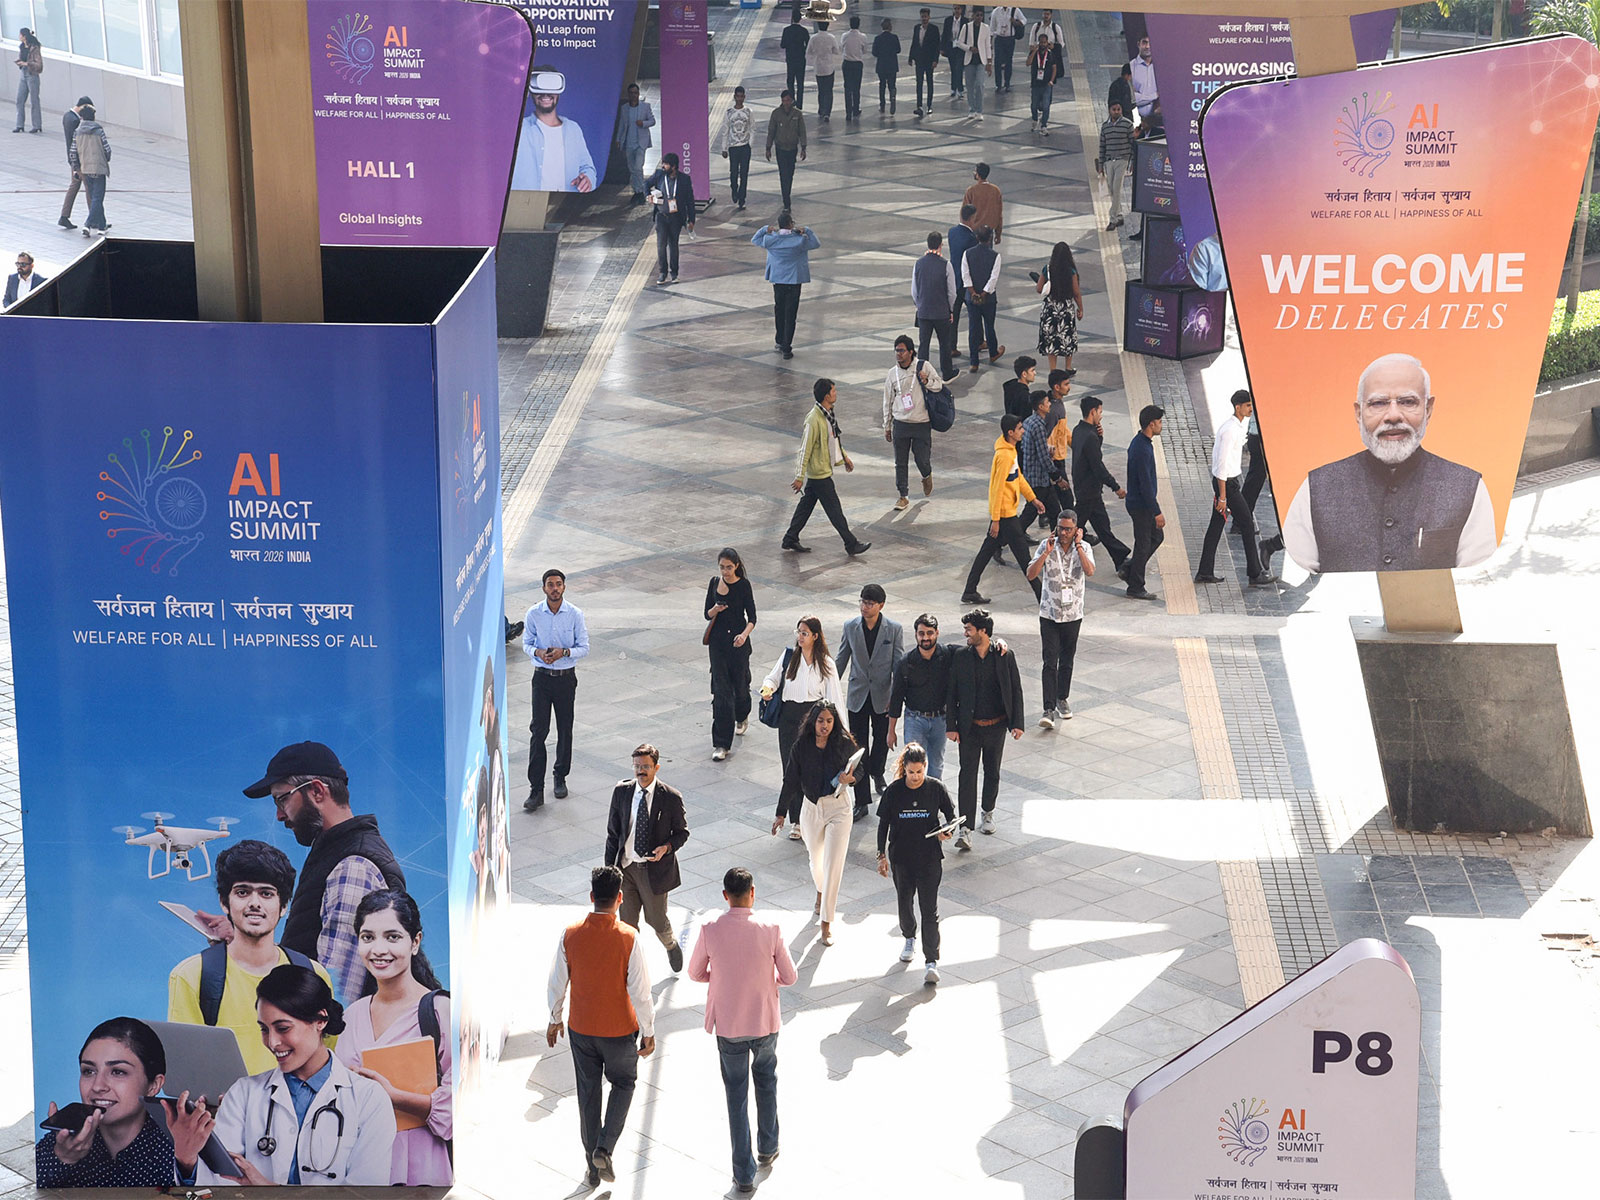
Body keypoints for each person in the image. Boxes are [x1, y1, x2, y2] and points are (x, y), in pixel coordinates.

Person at [220, 742, 406, 1005]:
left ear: (317, 791)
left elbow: (335, 990)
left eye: (282, 798)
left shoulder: (353, 865)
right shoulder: (333, 855)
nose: (279, 815)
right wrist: (246, 941)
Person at [1280, 352, 1496, 573]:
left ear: (1428, 409)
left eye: (1408, 402)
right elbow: (1296, 581)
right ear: (1358, 413)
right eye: (1378, 403)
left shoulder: (1468, 488)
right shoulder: (1316, 488)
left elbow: (1476, 584)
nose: (1393, 415)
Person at [202, 965, 397, 1185]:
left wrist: (267, 1192)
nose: (272, 1042)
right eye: (264, 1029)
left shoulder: (369, 1099)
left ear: (320, 1021)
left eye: (283, 1028)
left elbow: (365, 1195)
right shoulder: (242, 1094)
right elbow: (219, 1185)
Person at [169, 839, 335, 1074]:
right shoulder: (191, 976)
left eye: (266, 893)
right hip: (226, 1109)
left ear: (284, 905)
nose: (254, 903)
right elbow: (186, 1070)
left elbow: (328, 1062)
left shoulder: (313, 974)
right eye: (243, 892)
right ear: (224, 902)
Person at [687, 867, 797, 1195]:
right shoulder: (771, 928)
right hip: (764, 1021)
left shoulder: (709, 929)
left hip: (729, 1026)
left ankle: (743, 1174)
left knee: (736, 1095)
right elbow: (789, 977)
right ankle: (768, 1145)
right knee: (766, 1081)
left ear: (725, 896)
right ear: (753, 893)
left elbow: (695, 972)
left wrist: (718, 979)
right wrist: (767, 981)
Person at [546, 866, 656, 1189]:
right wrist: (648, 1031)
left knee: (588, 1095)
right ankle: (604, 1148)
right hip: (620, 1031)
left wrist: (555, 1018)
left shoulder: (570, 934)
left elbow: (556, 983)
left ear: (592, 897)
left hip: (581, 1029)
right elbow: (641, 991)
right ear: (620, 898)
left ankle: (592, 1169)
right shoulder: (628, 938)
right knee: (624, 1083)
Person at [336, 890, 453, 1185]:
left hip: (421, 1165)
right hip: (361, 1165)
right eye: (367, 937)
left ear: (415, 942)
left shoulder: (440, 1011)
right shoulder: (352, 1015)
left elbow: (461, 1103)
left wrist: (395, 1097)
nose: (378, 949)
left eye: (392, 937)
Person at [37, 1017, 211, 1187]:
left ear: (153, 1085)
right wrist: (63, 1158)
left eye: (118, 1072)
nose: (98, 1086)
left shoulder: (180, 1143)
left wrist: (186, 1164)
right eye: (89, 1071)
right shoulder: (61, 1142)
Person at [771, 701, 859, 945]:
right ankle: (820, 890)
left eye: (829, 721)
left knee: (833, 864)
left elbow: (860, 768)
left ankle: (826, 922)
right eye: (821, 721)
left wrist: (851, 778)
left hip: (839, 807)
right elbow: (790, 780)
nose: (825, 726)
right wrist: (781, 813)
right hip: (810, 808)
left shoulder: (843, 742)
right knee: (816, 859)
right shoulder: (801, 746)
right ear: (813, 721)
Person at [604, 744, 690, 973]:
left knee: (657, 920)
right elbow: (613, 833)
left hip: (654, 871)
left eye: (646, 767)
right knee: (627, 924)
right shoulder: (622, 791)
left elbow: (682, 832)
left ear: (656, 767)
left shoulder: (670, 797)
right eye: (637, 766)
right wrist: (609, 871)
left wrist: (667, 847)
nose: (640, 771)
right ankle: (632, 966)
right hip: (627, 869)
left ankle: (671, 945)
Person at [876, 744, 956, 984]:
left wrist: (946, 832)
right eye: (911, 772)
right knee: (905, 903)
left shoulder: (936, 788)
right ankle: (909, 935)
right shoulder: (894, 791)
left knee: (929, 910)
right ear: (904, 769)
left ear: (925, 768)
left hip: (930, 858)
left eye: (920, 772)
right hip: (901, 858)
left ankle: (931, 960)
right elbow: (883, 825)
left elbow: (951, 818)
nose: (915, 777)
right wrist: (881, 855)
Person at [945, 608, 1025, 847]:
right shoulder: (961, 656)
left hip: (996, 726)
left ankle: (987, 811)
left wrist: (1017, 723)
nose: (965, 634)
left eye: (969, 630)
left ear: (983, 631)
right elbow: (952, 694)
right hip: (969, 728)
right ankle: (965, 828)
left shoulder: (1004, 656)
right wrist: (952, 725)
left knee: (993, 772)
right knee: (966, 776)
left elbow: (1016, 689)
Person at [520, 568, 588, 808]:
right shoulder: (534, 614)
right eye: (550, 584)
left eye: (558, 584)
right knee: (538, 731)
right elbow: (526, 643)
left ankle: (560, 776)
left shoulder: (575, 614)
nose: (555, 588)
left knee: (564, 729)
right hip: (542, 678)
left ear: (564, 587)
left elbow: (584, 647)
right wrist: (538, 652)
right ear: (544, 588)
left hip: (566, 678)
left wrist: (564, 652)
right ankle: (535, 789)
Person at [836, 583, 906, 819]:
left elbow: (898, 664)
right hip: (857, 694)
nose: (864, 607)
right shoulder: (850, 627)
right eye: (862, 602)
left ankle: (877, 771)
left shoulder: (893, 629)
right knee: (857, 746)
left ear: (881, 606)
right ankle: (862, 800)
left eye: (870, 603)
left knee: (881, 741)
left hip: (882, 696)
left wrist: (896, 697)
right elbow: (841, 659)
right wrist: (831, 687)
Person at [963, 414, 1046, 604]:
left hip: (1006, 514)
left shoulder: (1010, 450)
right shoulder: (1004, 456)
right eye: (1019, 428)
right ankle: (1041, 595)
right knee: (1024, 557)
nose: (1022, 431)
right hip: (1005, 517)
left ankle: (969, 590)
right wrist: (996, 519)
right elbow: (997, 489)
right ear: (1011, 433)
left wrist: (1033, 499)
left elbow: (1018, 478)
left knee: (986, 552)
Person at [782, 378, 870, 556]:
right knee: (835, 510)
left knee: (805, 506)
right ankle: (850, 543)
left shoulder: (828, 415)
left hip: (821, 471)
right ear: (826, 395)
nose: (836, 393)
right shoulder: (813, 419)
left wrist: (844, 457)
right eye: (833, 391)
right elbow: (804, 449)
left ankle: (790, 538)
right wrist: (799, 476)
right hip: (819, 474)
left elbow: (834, 439)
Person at [1196, 389, 1274, 588]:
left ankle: (1205, 572)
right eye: (1247, 406)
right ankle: (1254, 574)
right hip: (1227, 486)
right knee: (1247, 524)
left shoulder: (1236, 427)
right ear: (1238, 407)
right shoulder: (1230, 430)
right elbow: (1221, 465)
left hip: (1229, 484)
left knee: (1215, 526)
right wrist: (1222, 497)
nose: (1250, 409)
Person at [761, 617, 844, 797]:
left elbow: (835, 698)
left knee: (810, 768)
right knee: (790, 768)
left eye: (804, 633)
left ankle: (808, 813)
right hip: (788, 717)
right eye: (798, 632)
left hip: (812, 718)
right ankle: (796, 820)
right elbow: (773, 678)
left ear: (815, 636)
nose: (800, 637)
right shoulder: (789, 656)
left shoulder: (826, 663)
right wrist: (767, 688)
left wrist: (842, 731)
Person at [1027, 509, 1094, 727]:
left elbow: (1090, 571)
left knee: (1067, 659)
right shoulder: (1046, 546)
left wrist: (1078, 547)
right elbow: (1031, 574)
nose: (1063, 533)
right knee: (1050, 660)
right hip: (1049, 613)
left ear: (1076, 530)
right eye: (1061, 528)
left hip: (1073, 613)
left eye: (1068, 529)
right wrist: (1045, 553)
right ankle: (1048, 708)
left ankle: (1062, 698)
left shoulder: (1084, 548)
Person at [884, 332, 948, 508]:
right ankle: (903, 495)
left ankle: (926, 474)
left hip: (921, 423)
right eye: (896, 350)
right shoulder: (891, 374)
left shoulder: (923, 366)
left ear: (911, 352)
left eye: (902, 350)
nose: (899, 354)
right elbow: (887, 400)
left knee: (922, 458)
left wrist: (926, 381)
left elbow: (939, 385)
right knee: (900, 462)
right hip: (901, 423)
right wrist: (887, 426)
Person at [705, 547, 757, 760]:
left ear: (736, 566)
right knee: (721, 693)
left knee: (740, 687)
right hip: (718, 644)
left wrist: (744, 635)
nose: (725, 571)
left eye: (729, 567)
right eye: (722, 567)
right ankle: (721, 744)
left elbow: (752, 617)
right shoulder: (713, 583)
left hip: (738, 644)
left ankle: (742, 715)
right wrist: (715, 610)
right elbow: (706, 613)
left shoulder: (743, 586)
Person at [509, 69, 597, 192]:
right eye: (539, 89)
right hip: (526, 204)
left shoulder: (573, 129)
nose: (545, 94)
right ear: (531, 92)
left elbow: (588, 168)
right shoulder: (517, 128)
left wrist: (588, 179)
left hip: (564, 204)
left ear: (559, 92)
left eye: (550, 87)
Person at [1072, 395, 1132, 571]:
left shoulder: (1078, 430)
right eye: (1100, 411)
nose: (1101, 415)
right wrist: (1116, 487)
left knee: (1102, 528)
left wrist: (1099, 438)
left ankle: (1121, 559)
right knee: (1072, 528)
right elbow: (1098, 466)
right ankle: (1053, 553)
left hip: (1084, 488)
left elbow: (1090, 456)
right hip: (1089, 491)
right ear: (1092, 412)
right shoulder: (1089, 436)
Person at [752, 211, 820, 360]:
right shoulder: (799, 240)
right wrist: (807, 230)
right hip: (794, 280)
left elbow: (755, 239)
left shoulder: (771, 240)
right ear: (790, 224)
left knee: (779, 310)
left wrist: (765, 229)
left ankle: (779, 340)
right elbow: (816, 243)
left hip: (778, 280)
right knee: (791, 314)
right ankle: (787, 347)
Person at [1124, 404, 1166, 600]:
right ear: (1151, 424)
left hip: (1140, 503)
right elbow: (1145, 485)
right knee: (1143, 543)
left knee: (1156, 537)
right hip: (1141, 505)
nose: (1161, 426)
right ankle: (1135, 585)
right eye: (1159, 422)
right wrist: (1157, 511)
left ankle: (1130, 569)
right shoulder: (1142, 449)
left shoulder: (1140, 442)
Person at [1020, 389, 1072, 536]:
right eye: (1047, 402)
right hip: (1039, 479)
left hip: (1035, 476)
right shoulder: (1038, 426)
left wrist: (1045, 447)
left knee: (1055, 512)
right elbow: (1043, 458)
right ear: (1041, 407)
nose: (1050, 404)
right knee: (1029, 514)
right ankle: (1001, 541)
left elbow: (1027, 447)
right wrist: (1058, 478)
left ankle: (1057, 542)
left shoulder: (1029, 421)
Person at [910, 233, 958, 382]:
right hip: (941, 312)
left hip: (924, 312)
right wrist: (950, 309)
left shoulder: (918, 263)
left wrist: (920, 305)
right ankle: (947, 372)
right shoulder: (946, 264)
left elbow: (914, 290)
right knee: (944, 343)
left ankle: (922, 373)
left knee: (924, 344)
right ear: (940, 245)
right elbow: (952, 292)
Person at [646, 151, 695, 286]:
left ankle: (674, 273)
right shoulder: (659, 175)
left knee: (673, 245)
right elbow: (646, 184)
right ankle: (662, 273)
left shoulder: (684, 179)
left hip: (676, 217)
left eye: (666, 164)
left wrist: (691, 220)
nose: (663, 166)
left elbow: (690, 201)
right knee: (661, 245)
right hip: (661, 216)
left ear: (674, 167)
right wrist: (648, 195)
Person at [962, 224, 1005, 373]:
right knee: (989, 325)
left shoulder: (967, 254)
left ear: (976, 237)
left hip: (971, 298)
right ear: (990, 238)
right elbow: (994, 278)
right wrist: (984, 293)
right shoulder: (995, 256)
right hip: (989, 299)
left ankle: (974, 362)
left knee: (973, 328)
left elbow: (965, 275)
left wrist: (973, 293)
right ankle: (993, 353)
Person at [1036, 240, 1084, 372]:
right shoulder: (1071, 271)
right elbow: (1076, 293)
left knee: (1051, 338)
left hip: (1050, 309)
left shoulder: (1048, 269)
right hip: (1066, 309)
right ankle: (1068, 367)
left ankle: (1053, 370)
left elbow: (1039, 289)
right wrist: (1081, 309)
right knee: (1067, 336)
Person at [69, 104, 111, 237]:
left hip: (85, 168)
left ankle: (102, 225)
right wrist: (106, 159)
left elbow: (73, 151)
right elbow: (107, 149)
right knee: (98, 198)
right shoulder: (99, 131)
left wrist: (76, 167)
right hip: (99, 168)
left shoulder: (77, 132)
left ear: (82, 117)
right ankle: (88, 224)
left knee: (94, 197)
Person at [1097, 99, 1136, 232]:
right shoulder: (1105, 126)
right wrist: (1101, 165)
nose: (1116, 112)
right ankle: (1119, 215)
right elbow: (1102, 145)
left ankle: (1113, 219)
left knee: (1117, 188)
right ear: (1109, 110)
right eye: (1114, 109)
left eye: (1118, 109)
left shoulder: (1127, 125)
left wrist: (1132, 162)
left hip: (1122, 160)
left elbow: (1133, 144)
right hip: (1109, 161)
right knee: (1112, 190)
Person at [613, 82, 655, 204]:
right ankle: (637, 191)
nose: (633, 95)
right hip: (629, 143)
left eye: (635, 93)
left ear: (638, 94)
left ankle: (641, 190)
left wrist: (643, 123)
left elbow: (652, 121)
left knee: (638, 167)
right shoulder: (624, 109)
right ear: (628, 95)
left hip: (641, 143)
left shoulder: (645, 107)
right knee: (632, 168)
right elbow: (622, 125)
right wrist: (618, 139)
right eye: (631, 93)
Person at [765, 90, 807, 211]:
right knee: (783, 174)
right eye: (784, 100)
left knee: (790, 174)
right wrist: (768, 148)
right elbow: (771, 131)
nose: (786, 103)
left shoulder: (797, 114)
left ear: (792, 100)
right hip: (780, 149)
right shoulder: (776, 114)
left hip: (792, 149)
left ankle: (787, 193)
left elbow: (802, 131)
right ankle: (786, 201)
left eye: (788, 100)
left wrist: (803, 147)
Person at [715, 86, 755, 210]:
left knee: (744, 173)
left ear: (744, 97)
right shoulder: (729, 113)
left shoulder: (748, 112)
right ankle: (734, 189)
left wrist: (750, 144)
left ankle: (742, 197)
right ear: (734, 97)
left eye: (742, 96)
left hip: (744, 147)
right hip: (733, 147)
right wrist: (724, 148)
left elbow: (752, 128)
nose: (739, 99)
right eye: (737, 96)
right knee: (733, 172)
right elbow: (725, 130)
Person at [947, 203, 979, 348]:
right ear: (971, 218)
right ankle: (979, 342)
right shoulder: (972, 238)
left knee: (955, 314)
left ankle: (952, 346)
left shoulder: (952, 232)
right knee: (976, 312)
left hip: (954, 278)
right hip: (966, 281)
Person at [58, 95, 92, 229]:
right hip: (79, 161)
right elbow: (78, 143)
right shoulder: (75, 121)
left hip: (73, 160)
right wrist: (77, 165)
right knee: (90, 188)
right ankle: (95, 218)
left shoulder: (67, 116)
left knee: (74, 186)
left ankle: (64, 216)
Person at [955, 6, 994, 119]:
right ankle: (972, 109)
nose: (979, 17)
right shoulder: (966, 27)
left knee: (980, 84)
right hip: (969, 60)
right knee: (970, 86)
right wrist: (969, 48)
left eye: (981, 15)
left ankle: (979, 110)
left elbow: (988, 45)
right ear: (973, 16)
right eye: (977, 15)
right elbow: (959, 43)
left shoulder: (986, 28)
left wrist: (989, 62)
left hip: (981, 60)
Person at [909, 7, 942, 117]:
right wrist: (911, 57)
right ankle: (919, 105)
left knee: (929, 82)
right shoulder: (916, 28)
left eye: (926, 16)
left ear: (929, 17)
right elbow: (914, 42)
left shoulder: (934, 29)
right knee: (919, 82)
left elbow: (937, 45)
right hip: (919, 59)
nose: (924, 19)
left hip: (929, 60)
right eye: (922, 16)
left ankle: (929, 105)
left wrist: (935, 60)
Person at [807, 20, 842, 121]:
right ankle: (827, 112)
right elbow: (836, 51)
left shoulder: (813, 38)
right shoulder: (831, 38)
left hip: (818, 67)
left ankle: (821, 109)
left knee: (821, 90)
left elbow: (809, 51)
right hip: (829, 67)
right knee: (829, 90)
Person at [1028, 32, 1061, 133]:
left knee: (1046, 105)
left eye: (1044, 42)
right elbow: (1028, 63)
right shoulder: (1034, 53)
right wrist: (1034, 51)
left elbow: (1054, 68)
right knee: (1034, 105)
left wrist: (1051, 80)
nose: (1042, 44)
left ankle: (1044, 125)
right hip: (1035, 84)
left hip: (1046, 84)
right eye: (1041, 42)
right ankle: (1034, 119)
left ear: (1047, 43)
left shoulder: (1051, 54)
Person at [963, 162, 1004, 244]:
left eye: (975, 171)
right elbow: (999, 214)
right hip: (989, 232)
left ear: (978, 175)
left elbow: (964, 213)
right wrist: (998, 234)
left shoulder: (971, 191)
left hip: (974, 232)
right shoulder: (996, 190)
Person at [989, 5, 1025, 93]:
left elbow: (1024, 21)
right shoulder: (996, 11)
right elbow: (992, 28)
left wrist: (1016, 22)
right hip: (999, 38)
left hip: (1010, 38)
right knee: (997, 62)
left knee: (1008, 62)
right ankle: (998, 84)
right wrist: (990, 42)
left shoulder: (1015, 10)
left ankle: (1007, 83)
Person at [12, 26, 41, 134]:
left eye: (20, 35)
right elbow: (23, 58)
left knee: (34, 101)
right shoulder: (21, 46)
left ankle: (36, 125)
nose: (19, 37)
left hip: (32, 75)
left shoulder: (34, 48)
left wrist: (26, 63)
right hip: (23, 74)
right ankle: (19, 125)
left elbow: (39, 65)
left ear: (24, 36)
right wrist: (20, 62)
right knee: (19, 100)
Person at [781, 7, 810, 108]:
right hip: (801, 59)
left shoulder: (787, 30)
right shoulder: (804, 31)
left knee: (790, 80)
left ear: (792, 18)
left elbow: (782, 45)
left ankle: (792, 99)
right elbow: (808, 44)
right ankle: (800, 103)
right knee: (800, 82)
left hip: (790, 59)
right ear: (800, 18)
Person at [871, 18, 901, 116]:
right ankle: (892, 97)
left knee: (882, 85)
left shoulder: (878, 38)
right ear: (890, 27)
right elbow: (898, 50)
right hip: (892, 65)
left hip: (882, 65)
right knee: (892, 84)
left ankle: (882, 104)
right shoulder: (894, 37)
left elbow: (874, 52)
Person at [842, 16, 870, 120]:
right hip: (857, 63)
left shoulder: (844, 36)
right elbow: (865, 50)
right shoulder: (863, 36)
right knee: (856, 88)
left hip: (847, 63)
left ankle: (848, 111)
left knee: (847, 88)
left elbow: (842, 47)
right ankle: (856, 109)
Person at [1130, 34, 1158, 123]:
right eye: (1144, 43)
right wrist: (1156, 95)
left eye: (1150, 43)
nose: (1147, 47)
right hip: (1138, 122)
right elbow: (1133, 99)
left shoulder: (1162, 67)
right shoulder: (1131, 67)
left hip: (1158, 122)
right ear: (1138, 44)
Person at [942, 6, 968, 99]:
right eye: (955, 9)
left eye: (959, 9)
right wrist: (943, 48)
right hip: (951, 47)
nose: (957, 11)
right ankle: (953, 88)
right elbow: (944, 34)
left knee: (959, 68)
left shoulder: (965, 21)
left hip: (960, 48)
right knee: (953, 68)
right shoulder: (948, 20)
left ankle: (960, 89)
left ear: (961, 10)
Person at [1004, 356, 1039, 421]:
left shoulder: (1010, 387)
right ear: (1024, 374)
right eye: (1032, 370)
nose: (1035, 373)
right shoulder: (1025, 397)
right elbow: (1026, 420)